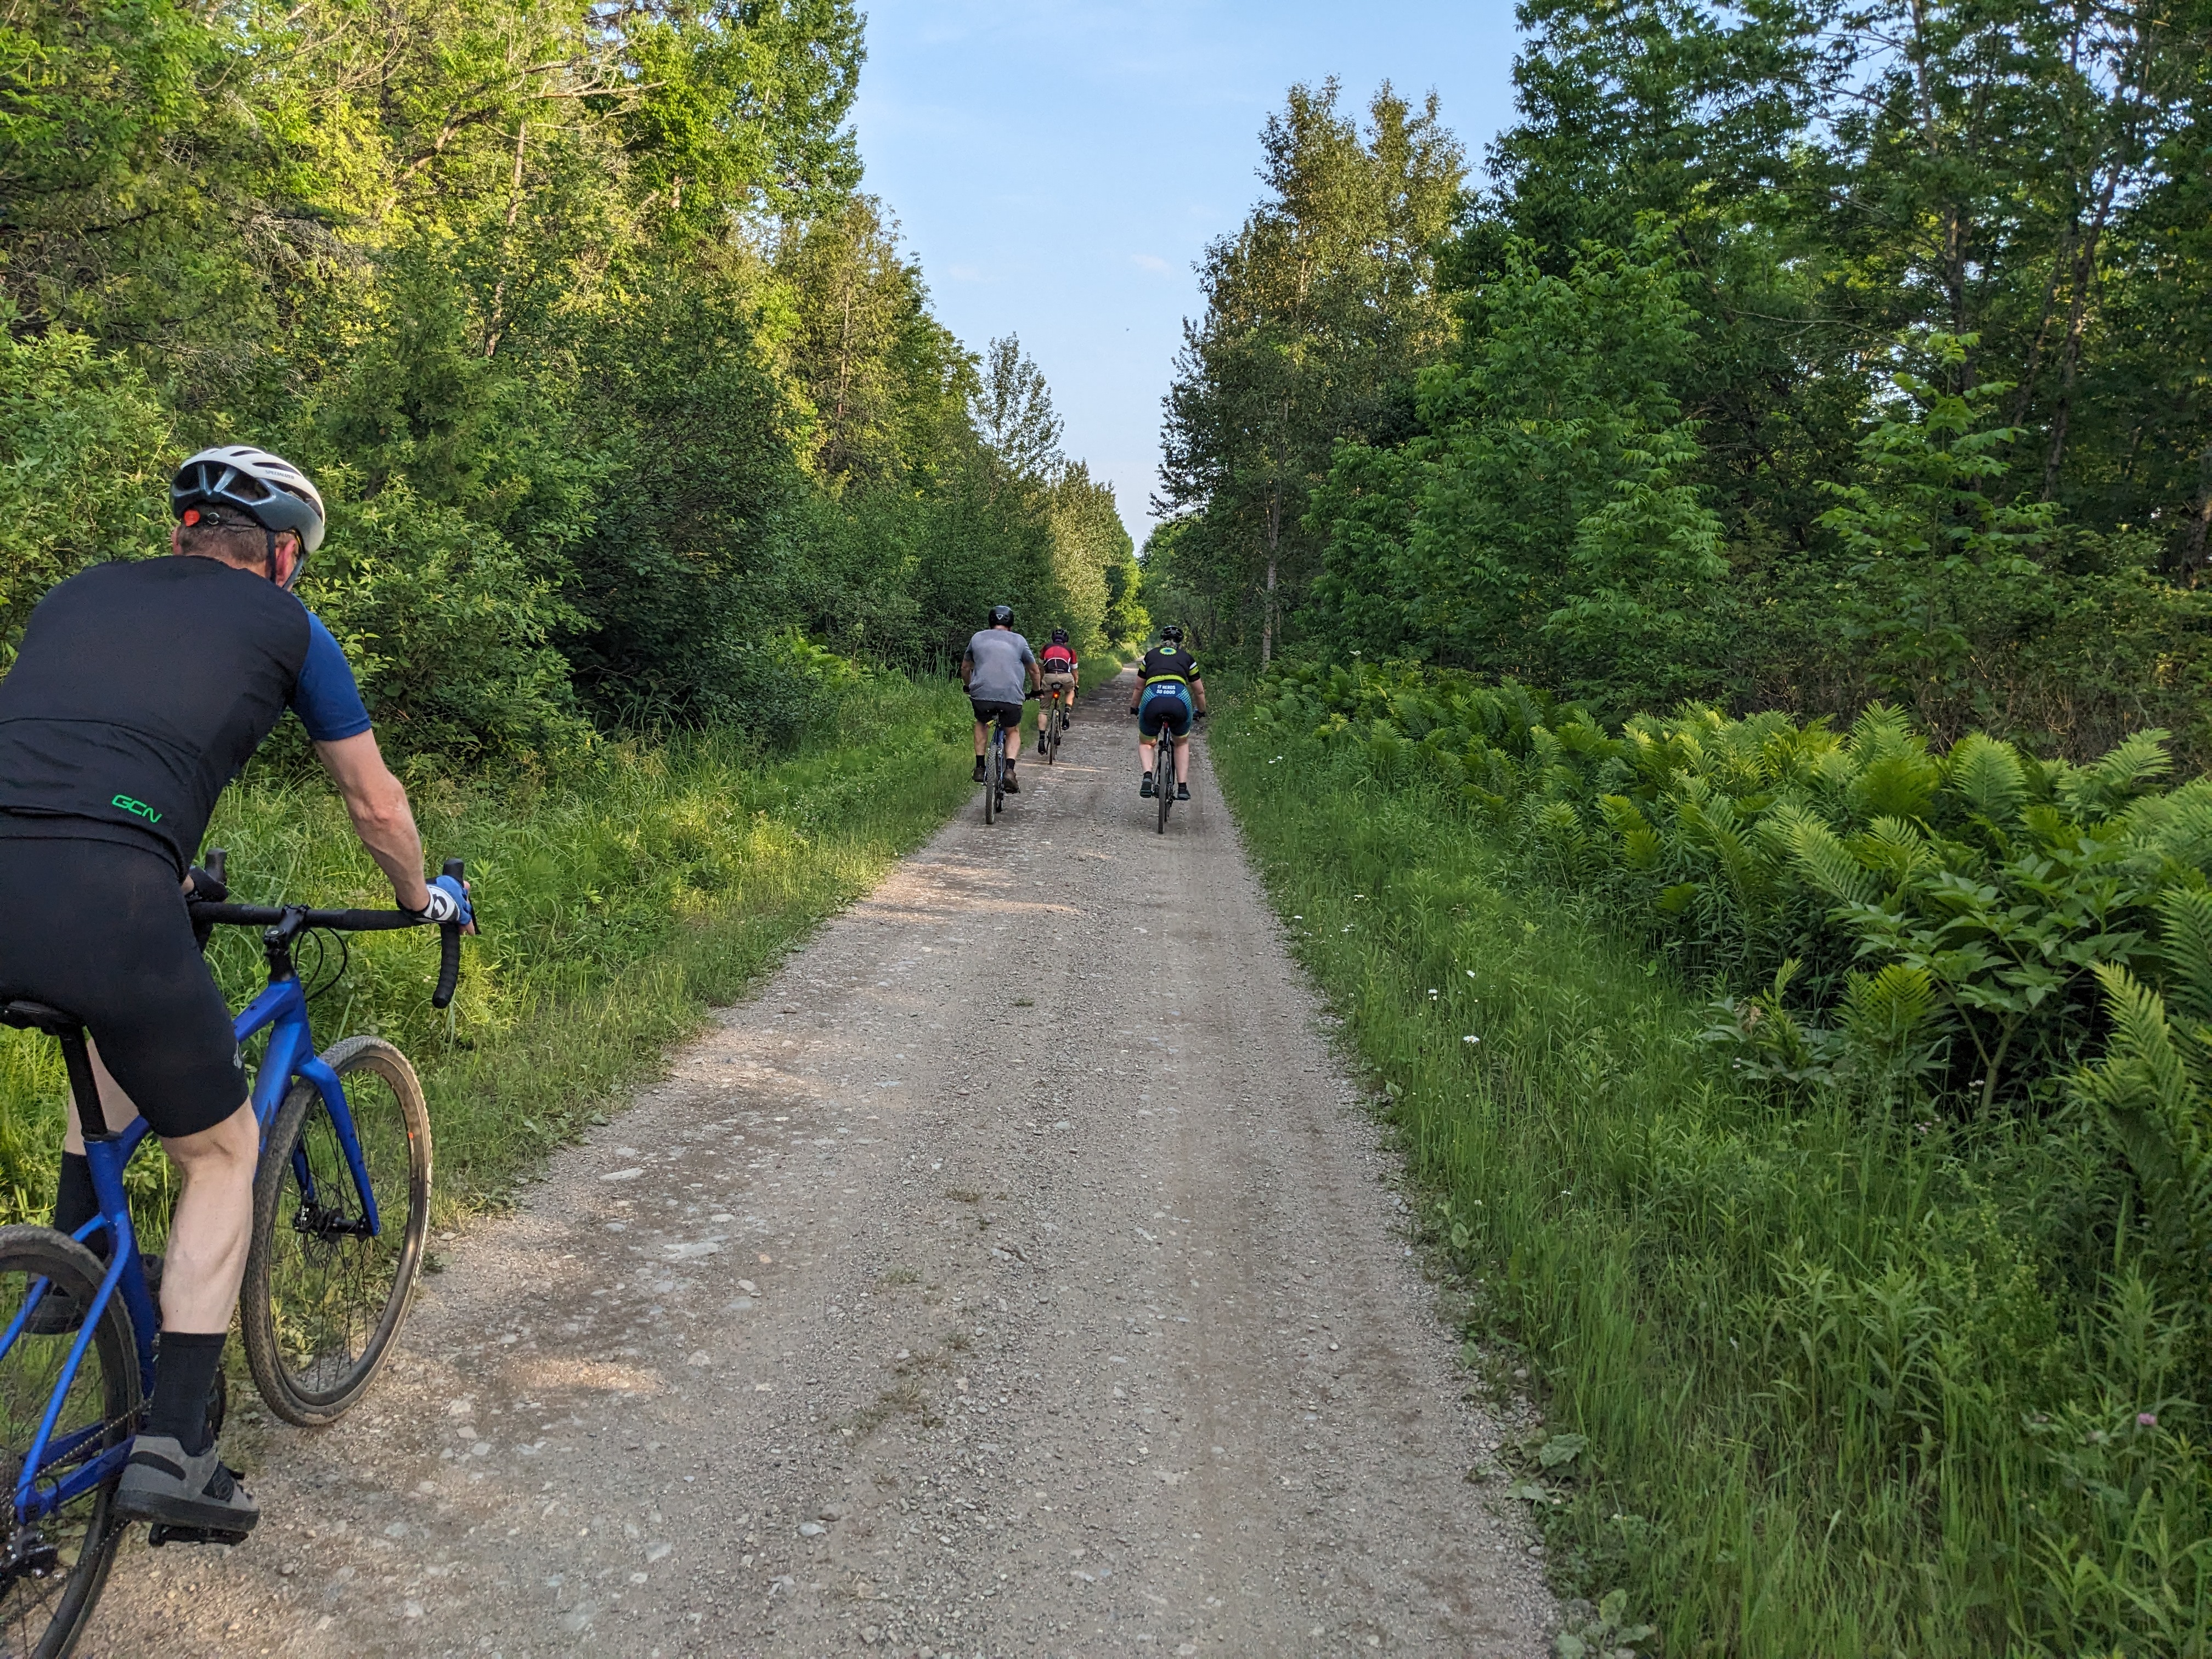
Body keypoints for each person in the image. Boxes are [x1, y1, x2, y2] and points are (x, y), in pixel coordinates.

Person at [0, 445, 471, 1539]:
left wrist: (167, 866)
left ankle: (74, 1269)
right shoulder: (293, 631)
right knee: (220, 1154)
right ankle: (175, 1448)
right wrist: (423, 898)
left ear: (181, 536)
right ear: (287, 557)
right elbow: (374, 804)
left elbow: (66, 758)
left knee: (101, 1040)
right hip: (109, 896)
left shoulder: (76, 595)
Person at [962, 603, 1039, 793]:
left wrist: (968, 685)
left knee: (982, 722)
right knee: (1012, 730)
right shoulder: (1019, 641)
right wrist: (1036, 691)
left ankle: (980, 767)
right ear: (1011, 625)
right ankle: (1010, 772)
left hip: (982, 696)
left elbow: (965, 668)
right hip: (1011, 698)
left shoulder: (977, 638)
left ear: (990, 623)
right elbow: (1034, 670)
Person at [1128, 624, 1207, 800]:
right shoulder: (1187, 658)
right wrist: (1201, 711)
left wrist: (1134, 707)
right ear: (1180, 642)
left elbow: (1139, 687)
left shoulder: (1150, 656)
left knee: (1147, 742)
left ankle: (1148, 777)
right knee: (1181, 742)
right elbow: (1199, 691)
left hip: (1152, 697)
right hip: (1180, 699)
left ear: (1162, 641)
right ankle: (1182, 788)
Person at [1037, 628, 1079, 742]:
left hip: (1049, 677)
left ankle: (1041, 740)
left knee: (1043, 710)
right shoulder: (1071, 651)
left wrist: (1040, 682)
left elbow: (1040, 668)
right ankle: (1066, 712)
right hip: (1065, 677)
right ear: (1066, 641)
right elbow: (1074, 672)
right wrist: (1076, 685)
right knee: (1071, 690)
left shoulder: (1046, 648)